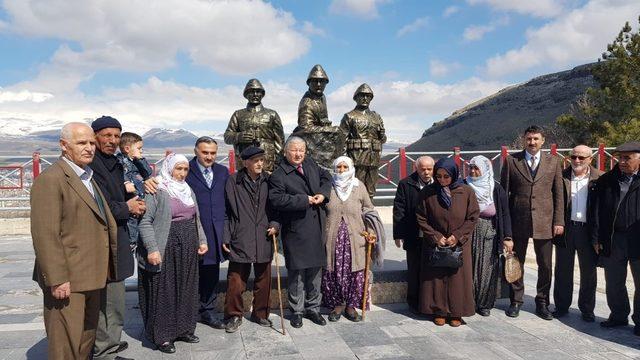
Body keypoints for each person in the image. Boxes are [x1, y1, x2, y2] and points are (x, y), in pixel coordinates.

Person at [31, 122, 118, 360]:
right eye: (82, 143)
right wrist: (57, 279)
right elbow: (45, 234)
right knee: (65, 344)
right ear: (64, 145)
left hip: (92, 276)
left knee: (85, 340)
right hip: (68, 279)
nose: (89, 148)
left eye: (91, 142)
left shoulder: (87, 176)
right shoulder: (52, 179)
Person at [137, 153, 208, 353]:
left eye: (185, 169)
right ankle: (164, 336)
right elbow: (145, 222)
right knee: (166, 291)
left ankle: (184, 329)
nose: (182, 173)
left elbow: (196, 218)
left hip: (188, 244)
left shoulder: (188, 190)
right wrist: (152, 248)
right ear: (169, 168)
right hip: (165, 244)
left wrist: (202, 240)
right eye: (179, 168)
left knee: (187, 286)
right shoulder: (158, 190)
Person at [90, 116, 145, 359]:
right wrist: (128, 207)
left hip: (118, 236)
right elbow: (97, 203)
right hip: (102, 240)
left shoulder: (114, 162)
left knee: (115, 296)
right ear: (95, 137)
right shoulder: (92, 164)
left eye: (116, 136)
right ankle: (104, 349)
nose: (112, 141)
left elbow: (116, 193)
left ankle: (111, 341)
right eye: (107, 135)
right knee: (105, 299)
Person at [500, 125, 564, 320]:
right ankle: (516, 300)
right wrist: (506, 227)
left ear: (543, 140)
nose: (532, 142)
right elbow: (504, 195)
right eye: (529, 139)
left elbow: (558, 194)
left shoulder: (553, 162)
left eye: (536, 139)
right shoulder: (511, 161)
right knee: (515, 262)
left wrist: (558, 220)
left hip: (545, 221)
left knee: (545, 264)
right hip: (518, 220)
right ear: (524, 140)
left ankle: (542, 302)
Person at [269, 136, 332, 328]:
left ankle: (313, 308)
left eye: (301, 150)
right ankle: (296, 310)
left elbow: (327, 177)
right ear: (286, 152)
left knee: (315, 272)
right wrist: (304, 200)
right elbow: (277, 200)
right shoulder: (279, 174)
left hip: (317, 227)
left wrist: (323, 193)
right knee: (296, 273)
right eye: (294, 150)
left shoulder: (311, 164)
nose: (298, 154)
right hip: (296, 229)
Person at [222, 146, 280, 333]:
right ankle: (233, 315)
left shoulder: (269, 181)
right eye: (255, 161)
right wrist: (226, 235)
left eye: (261, 160)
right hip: (241, 236)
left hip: (264, 236)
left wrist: (275, 225)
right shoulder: (233, 181)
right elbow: (227, 212)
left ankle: (261, 314)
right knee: (236, 281)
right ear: (245, 162)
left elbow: (276, 208)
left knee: (264, 280)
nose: (260, 164)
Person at [416, 158, 479, 327]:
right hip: (436, 242)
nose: (442, 180)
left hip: (458, 243)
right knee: (436, 278)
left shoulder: (466, 192)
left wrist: (457, 236)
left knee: (457, 278)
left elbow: (472, 217)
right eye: (439, 176)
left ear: (454, 174)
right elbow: (421, 217)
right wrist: (436, 236)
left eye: (446, 176)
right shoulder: (428, 192)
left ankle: (456, 312)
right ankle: (439, 311)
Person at [591, 141, 640, 335]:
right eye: (620, 157)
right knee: (614, 281)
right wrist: (596, 238)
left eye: (627, 158)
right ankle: (618, 315)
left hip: (637, 239)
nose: (621, 161)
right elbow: (596, 211)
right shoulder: (607, 180)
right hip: (614, 238)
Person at [321, 156, 375, 322]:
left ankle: (351, 306)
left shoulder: (359, 187)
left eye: (345, 167)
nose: (342, 170)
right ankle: (337, 305)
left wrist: (371, 231)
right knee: (333, 272)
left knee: (355, 272)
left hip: (356, 239)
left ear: (351, 167)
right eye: (339, 167)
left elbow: (368, 210)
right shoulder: (328, 186)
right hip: (332, 238)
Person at [553, 145, 602, 322]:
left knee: (588, 272)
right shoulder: (561, 176)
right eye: (574, 157)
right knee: (562, 270)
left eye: (581, 157)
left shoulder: (600, 178)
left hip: (588, 231)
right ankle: (561, 306)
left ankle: (587, 309)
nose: (577, 161)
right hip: (566, 229)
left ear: (590, 159)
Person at [186, 137, 229, 328]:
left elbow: (228, 203)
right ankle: (187, 312)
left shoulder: (222, 171)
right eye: (205, 152)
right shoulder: (185, 170)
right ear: (196, 151)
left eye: (213, 153)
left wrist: (226, 233)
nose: (209, 157)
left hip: (215, 232)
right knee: (190, 273)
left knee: (211, 272)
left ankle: (208, 311)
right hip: (192, 230)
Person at [465, 155, 512, 316]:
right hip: (467, 231)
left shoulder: (495, 188)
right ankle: (468, 302)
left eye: (476, 168)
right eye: (470, 167)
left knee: (487, 268)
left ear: (485, 170)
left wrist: (507, 237)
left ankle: (484, 303)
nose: (472, 171)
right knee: (468, 266)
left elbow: (505, 214)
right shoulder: (463, 185)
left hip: (489, 231)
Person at [393, 156, 435, 313]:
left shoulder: (439, 183)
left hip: (433, 235)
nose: (426, 172)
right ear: (416, 169)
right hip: (413, 233)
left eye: (429, 169)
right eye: (422, 169)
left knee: (431, 269)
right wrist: (398, 234)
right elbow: (399, 209)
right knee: (414, 269)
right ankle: (414, 302)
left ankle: (429, 302)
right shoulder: (406, 184)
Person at [224, 78, 285, 173]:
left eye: (258, 91)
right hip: (245, 161)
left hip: (267, 161)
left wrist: (278, 161)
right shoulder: (238, 114)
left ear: (262, 94)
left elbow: (280, 141)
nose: (255, 94)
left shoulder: (272, 114)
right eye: (252, 91)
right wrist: (238, 136)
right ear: (246, 94)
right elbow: (227, 136)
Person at [339, 83, 387, 198]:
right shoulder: (349, 116)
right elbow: (341, 141)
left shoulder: (377, 116)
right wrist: (343, 161)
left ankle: (369, 212)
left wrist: (382, 135)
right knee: (355, 188)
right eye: (362, 95)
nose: (365, 98)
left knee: (371, 189)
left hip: (373, 158)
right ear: (356, 98)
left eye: (368, 96)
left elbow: (383, 139)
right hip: (357, 158)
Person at [117, 131, 153, 249]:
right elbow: (119, 171)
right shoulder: (120, 161)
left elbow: (148, 173)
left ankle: (138, 242)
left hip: (141, 198)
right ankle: (131, 242)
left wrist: (141, 159)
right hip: (131, 199)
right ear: (127, 149)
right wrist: (126, 182)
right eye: (139, 148)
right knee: (132, 221)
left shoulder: (137, 162)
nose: (141, 151)